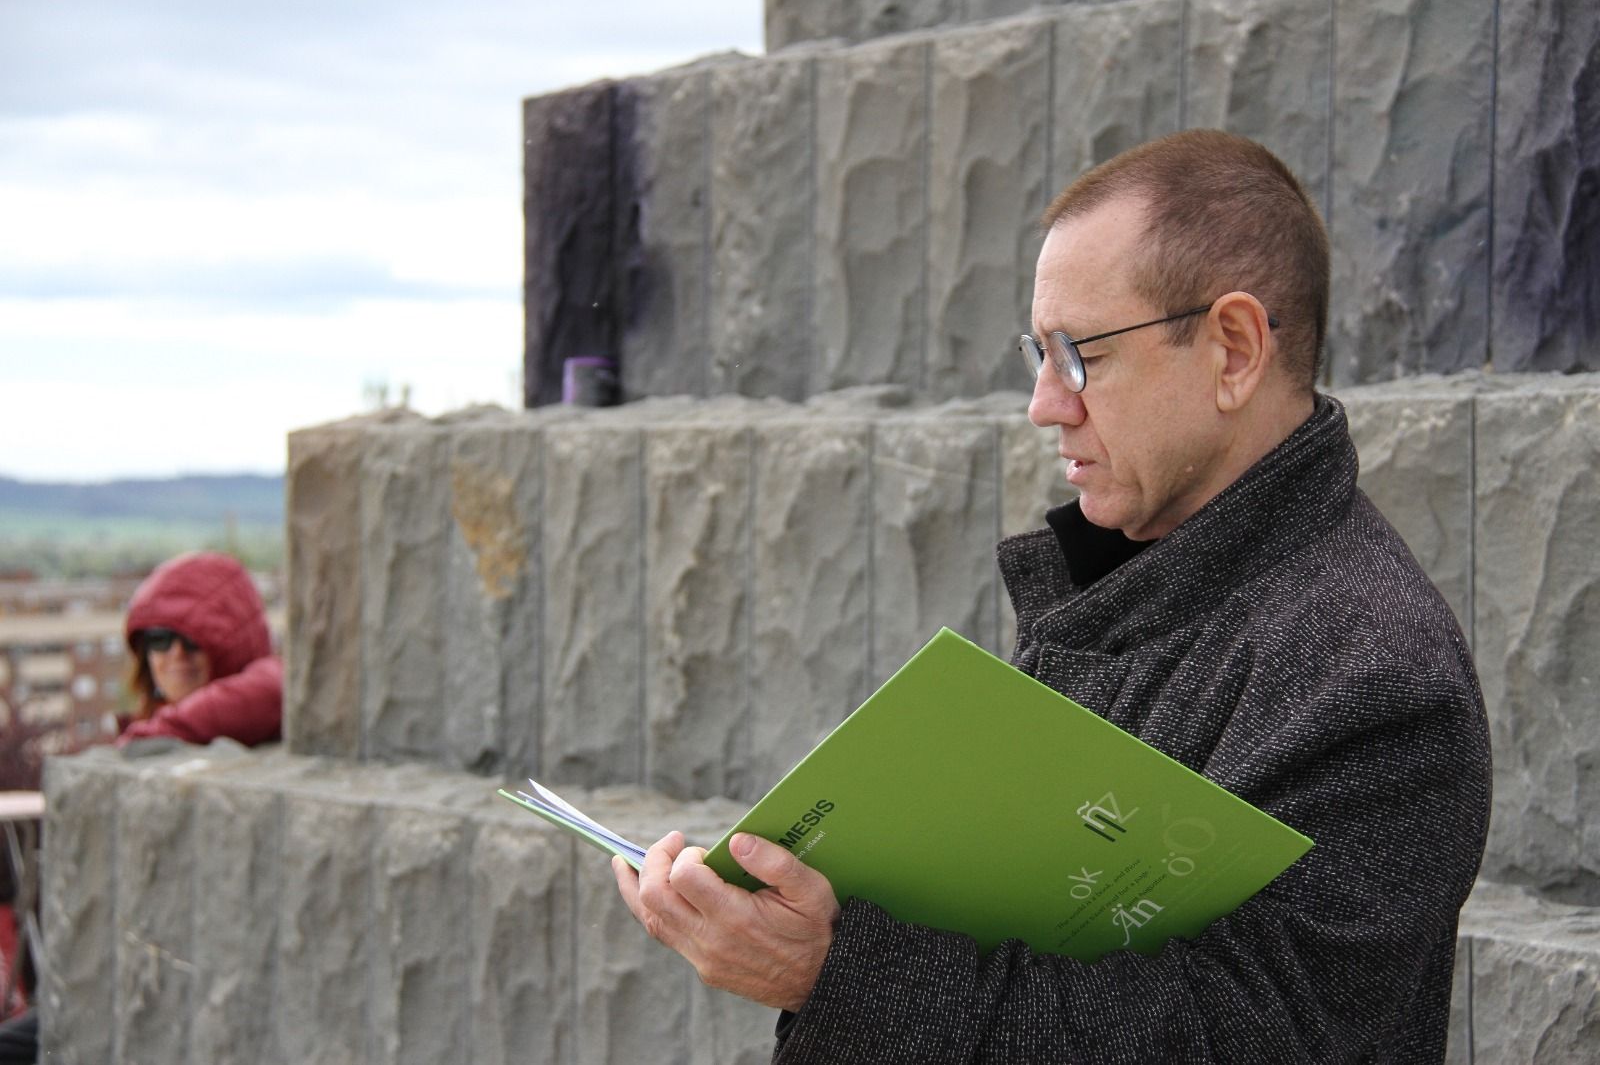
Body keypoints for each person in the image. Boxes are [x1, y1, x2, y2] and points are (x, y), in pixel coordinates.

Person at [613, 129, 1492, 1063]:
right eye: (1039, 351)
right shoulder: (1141, 583)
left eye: (1082, 356)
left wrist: (839, 971)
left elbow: (1253, 1043)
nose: (1044, 403)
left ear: (1233, 350)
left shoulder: (1379, 675)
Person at [117, 550, 282, 746]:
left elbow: (272, 688)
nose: (177, 653)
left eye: (192, 639)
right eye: (159, 639)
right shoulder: (148, 718)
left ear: (231, 646)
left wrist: (160, 731)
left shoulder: (265, 688)